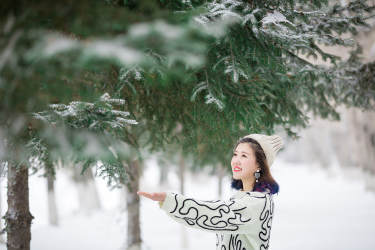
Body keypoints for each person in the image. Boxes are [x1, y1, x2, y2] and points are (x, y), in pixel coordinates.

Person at [137, 133, 284, 250]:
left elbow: (214, 214)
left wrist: (170, 200)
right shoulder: (241, 198)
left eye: (244, 156)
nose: (235, 161)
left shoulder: (258, 203)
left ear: (259, 165)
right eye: (235, 154)